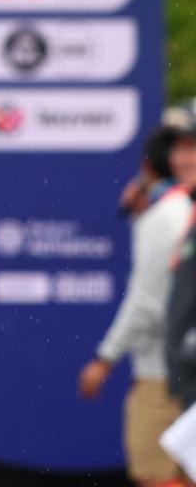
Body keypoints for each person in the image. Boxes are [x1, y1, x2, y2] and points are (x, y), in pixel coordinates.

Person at [81, 119, 196, 487]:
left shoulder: (166, 215)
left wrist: (105, 357)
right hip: (181, 366)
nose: (183, 159)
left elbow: (146, 301)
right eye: (179, 150)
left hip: (168, 370)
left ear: (147, 167)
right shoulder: (179, 212)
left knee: (156, 474)